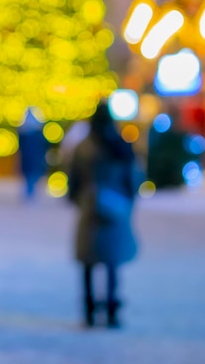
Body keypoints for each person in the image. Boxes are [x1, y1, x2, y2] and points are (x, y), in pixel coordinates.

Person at [67, 101, 143, 328]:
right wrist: (128, 199)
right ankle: (111, 309)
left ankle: (89, 310)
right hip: (116, 207)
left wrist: (77, 198)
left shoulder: (84, 147)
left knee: (89, 261)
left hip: (89, 207)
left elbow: (74, 178)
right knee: (112, 262)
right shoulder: (120, 144)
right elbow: (132, 177)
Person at [17, 108, 49, 200]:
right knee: (30, 176)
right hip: (31, 159)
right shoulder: (36, 132)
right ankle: (30, 193)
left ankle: (30, 193)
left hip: (31, 159)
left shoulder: (26, 132)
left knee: (31, 176)